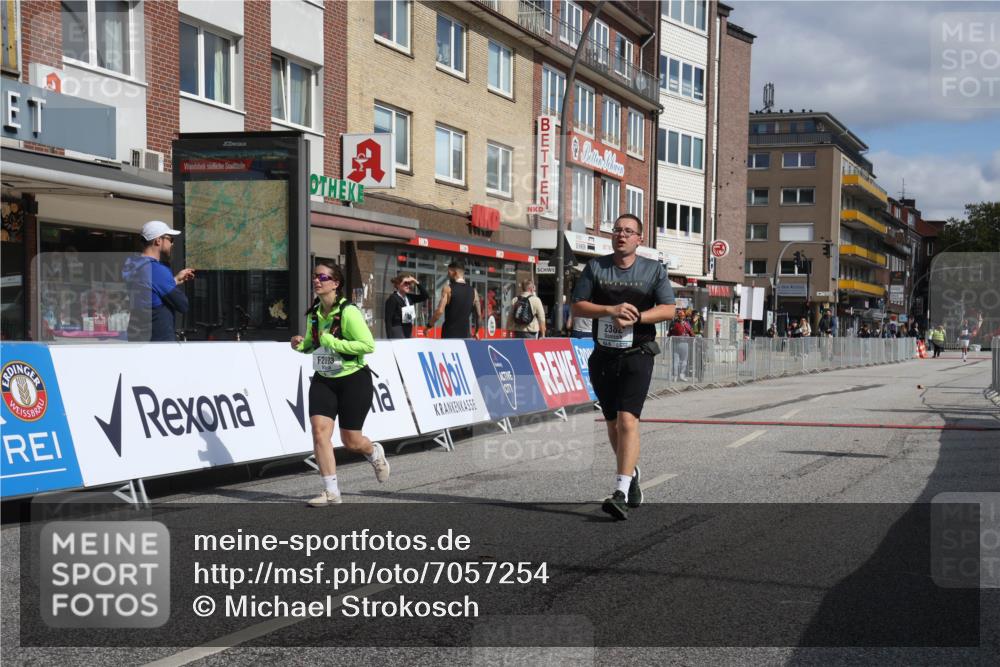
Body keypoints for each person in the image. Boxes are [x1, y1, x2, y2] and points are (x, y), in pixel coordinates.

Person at [571, 213, 676, 521]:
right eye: (617, 230)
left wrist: (638, 317)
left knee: (628, 421)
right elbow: (577, 305)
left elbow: (669, 309)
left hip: (638, 354)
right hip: (603, 355)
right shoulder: (595, 267)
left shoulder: (653, 270)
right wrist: (609, 309)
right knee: (613, 424)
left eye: (629, 231)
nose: (622, 235)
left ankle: (620, 491)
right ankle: (631, 473)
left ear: (638, 239)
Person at [291, 260, 390, 506]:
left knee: (351, 441)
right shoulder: (314, 312)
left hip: (353, 379)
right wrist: (301, 344)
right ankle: (331, 492)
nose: (316, 280)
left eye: (323, 278)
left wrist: (334, 343)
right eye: (315, 276)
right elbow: (314, 344)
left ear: (335, 284)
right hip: (324, 378)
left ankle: (373, 452)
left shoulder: (348, 312)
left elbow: (368, 345)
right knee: (319, 432)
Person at [122, 220, 195, 342]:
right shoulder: (156, 270)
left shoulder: (135, 266)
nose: (172, 244)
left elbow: (150, 292)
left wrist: (174, 280)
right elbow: (182, 304)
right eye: (170, 239)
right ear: (158, 241)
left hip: (139, 338)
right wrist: (170, 282)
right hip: (158, 342)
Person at [430, 261, 482, 339]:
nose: (448, 275)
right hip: (465, 336)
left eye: (449, 272)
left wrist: (429, 325)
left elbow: (440, 311)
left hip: (449, 335)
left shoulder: (448, 289)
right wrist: (477, 332)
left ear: (454, 272)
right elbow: (479, 315)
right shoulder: (474, 291)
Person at [384, 272, 428, 339]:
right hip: (397, 330)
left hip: (408, 330)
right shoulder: (393, 298)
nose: (408, 286)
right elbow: (388, 320)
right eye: (405, 283)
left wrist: (415, 282)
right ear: (398, 285)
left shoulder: (409, 297)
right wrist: (389, 338)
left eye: (409, 284)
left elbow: (425, 296)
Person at [669, 311, 693, 382]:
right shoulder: (686, 324)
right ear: (684, 316)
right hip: (684, 343)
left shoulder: (673, 323)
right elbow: (691, 333)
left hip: (675, 343)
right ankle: (682, 375)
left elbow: (669, 333)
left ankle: (675, 376)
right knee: (684, 360)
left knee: (675, 361)